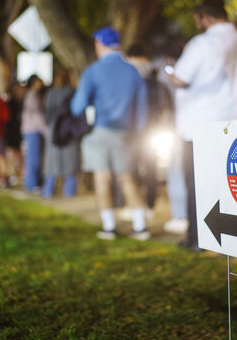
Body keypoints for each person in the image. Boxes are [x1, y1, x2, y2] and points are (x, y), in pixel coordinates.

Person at [167, 0, 237, 250]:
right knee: (229, 185)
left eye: (197, 20)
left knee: (198, 186)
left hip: (200, 127)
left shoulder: (202, 43)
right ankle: (229, 238)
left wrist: (172, 75)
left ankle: (198, 239)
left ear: (205, 18)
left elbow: (180, 79)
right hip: (235, 124)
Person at [70, 26, 150, 241]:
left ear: (100, 44)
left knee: (102, 177)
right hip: (125, 132)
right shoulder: (133, 71)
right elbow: (142, 109)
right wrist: (137, 132)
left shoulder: (93, 71)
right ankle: (140, 226)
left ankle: (109, 226)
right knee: (127, 177)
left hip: (99, 131)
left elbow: (77, 107)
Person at [126, 44, 174, 217]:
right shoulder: (156, 77)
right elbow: (166, 106)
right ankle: (148, 205)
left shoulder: (131, 77)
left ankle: (140, 206)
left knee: (136, 168)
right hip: (152, 129)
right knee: (149, 168)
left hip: (139, 131)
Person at [42, 69, 80, 198]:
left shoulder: (51, 93)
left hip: (54, 129)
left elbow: (47, 113)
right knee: (71, 163)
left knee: (52, 163)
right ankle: (69, 193)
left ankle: (48, 191)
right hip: (69, 129)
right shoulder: (73, 92)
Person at [21, 75, 48, 193]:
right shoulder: (32, 96)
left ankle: (31, 183)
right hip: (33, 130)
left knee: (32, 157)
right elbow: (37, 116)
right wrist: (46, 130)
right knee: (33, 158)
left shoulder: (32, 96)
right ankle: (32, 184)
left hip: (30, 130)